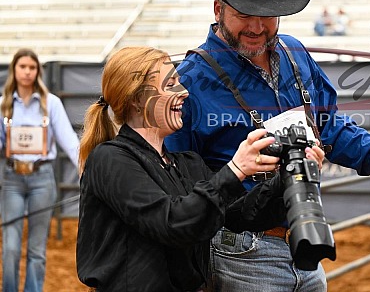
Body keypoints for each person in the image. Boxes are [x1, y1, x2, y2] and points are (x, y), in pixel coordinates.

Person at [165, 0, 370, 292]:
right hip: (238, 252)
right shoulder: (189, 80)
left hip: (305, 239)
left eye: (266, 14)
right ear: (218, 9)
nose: (256, 26)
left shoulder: (296, 53)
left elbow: (327, 124)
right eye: (243, 13)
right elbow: (177, 182)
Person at [76, 46, 324, 291]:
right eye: (171, 84)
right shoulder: (110, 159)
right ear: (138, 100)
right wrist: (235, 168)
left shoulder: (187, 163)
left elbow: (240, 216)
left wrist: (286, 176)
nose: (184, 92)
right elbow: (171, 223)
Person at [0, 48, 80, 292]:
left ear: (38, 72)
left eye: (32, 67)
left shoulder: (51, 103)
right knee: (10, 247)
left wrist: (85, 168)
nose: (27, 72)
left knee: (36, 248)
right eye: (22, 67)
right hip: (12, 178)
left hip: (42, 179)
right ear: (14, 70)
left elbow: (69, 140)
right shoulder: (3, 104)